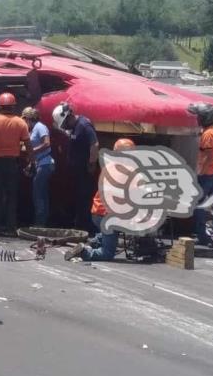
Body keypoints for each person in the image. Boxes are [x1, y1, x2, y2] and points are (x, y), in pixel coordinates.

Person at [65, 138, 135, 262]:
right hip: (107, 216)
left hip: (98, 213)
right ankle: (84, 252)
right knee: (107, 253)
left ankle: (93, 243)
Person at [0, 93, 33, 236]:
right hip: (12, 163)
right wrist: (31, 161)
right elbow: (28, 144)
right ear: (13, 106)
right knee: (11, 196)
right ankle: (11, 228)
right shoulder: (20, 122)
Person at [52, 102, 99, 233]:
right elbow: (71, 135)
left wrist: (91, 164)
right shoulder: (75, 127)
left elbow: (94, 145)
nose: (65, 126)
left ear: (69, 116)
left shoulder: (84, 125)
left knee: (85, 198)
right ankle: (79, 224)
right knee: (79, 197)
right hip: (77, 170)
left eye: (65, 123)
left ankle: (87, 227)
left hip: (85, 170)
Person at [188, 102, 213, 246]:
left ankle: (202, 235)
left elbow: (207, 156)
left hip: (208, 173)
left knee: (200, 205)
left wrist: (200, 172)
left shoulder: (208, 134)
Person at [22, 107, 54, 227]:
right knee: (42, 193)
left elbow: (46, 143)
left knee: (38, 194)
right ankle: (43, 221)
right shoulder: (33, 129)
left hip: (45, 164)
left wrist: (31, 151)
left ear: (28, 118)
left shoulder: (40, 127)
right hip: (40, 163)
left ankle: (39, 223)